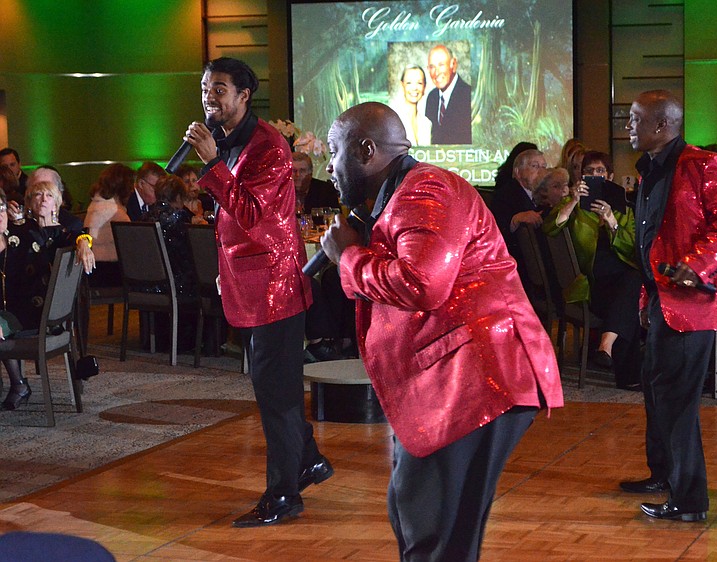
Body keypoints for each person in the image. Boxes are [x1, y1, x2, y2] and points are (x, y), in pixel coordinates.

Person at [320, 102, 563, 561]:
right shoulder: (396, 195)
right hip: (455, 376)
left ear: (367, 149)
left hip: (476, 375)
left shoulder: (425, 189)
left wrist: (348, 258)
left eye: (334, 151)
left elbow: (422, 282)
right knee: (421, 517)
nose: (328, 167)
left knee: (433, 530)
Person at [181, 57, 332, 528]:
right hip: (248, 284)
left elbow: (251, 215)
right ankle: (307, 461)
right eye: (206, 87)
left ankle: (284, 495)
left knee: (278, 397)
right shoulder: (229, 140)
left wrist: (210, 164)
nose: (210, 97)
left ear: (245, 95)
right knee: (272, 388)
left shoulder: (268, 146)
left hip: (275, 289)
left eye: (220, 89)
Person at [619, 90, 717, 522]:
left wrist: (695, 265)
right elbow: (651, 238)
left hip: (691, 304)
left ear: (662, 125)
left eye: (635, 120)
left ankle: (689, 501)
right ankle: (663, 474)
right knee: (656, 390)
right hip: (661, 298)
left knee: (676, 399)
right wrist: (645, 296)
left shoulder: (700, 163)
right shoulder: (651, 170)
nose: (628, 127)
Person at [540, 157, 643, 390]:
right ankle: (628, 374)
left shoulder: (624, 209)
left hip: (619, 282)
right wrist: (573, 201)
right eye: (590, 171)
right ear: (581, 176)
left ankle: (605, 346)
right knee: (631, 293)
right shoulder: (572, 206)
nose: (596, 175)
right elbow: (550, 228)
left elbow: (634, 250)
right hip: (589, 283)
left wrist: (612, 222)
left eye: (601, 171)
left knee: (630, 286)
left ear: (610, 176)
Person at [1, 182, 95, 410]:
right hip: (15, 305)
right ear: (29, 203)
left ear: (58, 202)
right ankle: (18, 383)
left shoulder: (61, 233)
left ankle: (18, 384)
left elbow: (77, 233)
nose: (43, 199)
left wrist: (84, 242)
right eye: (37, 195)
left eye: (49, 195)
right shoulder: (20, 230)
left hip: (38, 312)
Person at [489, 149, 548, 297]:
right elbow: (497, 231)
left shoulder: (544, 195)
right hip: (518, 271)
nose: (541, 172)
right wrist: (515, 219)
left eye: (544, 167)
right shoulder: (507, 194)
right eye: (535, 166)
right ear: (518, 171)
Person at [83, 163, 134, 288]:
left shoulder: (95, 205)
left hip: (92, 270)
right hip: (107, 272)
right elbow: (129, 249)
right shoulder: (116, 212)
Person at [424, 44, 472, 145]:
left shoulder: (468, 95)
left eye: (441, 65)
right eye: (432, 67)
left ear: (453, 65)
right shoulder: (431, 97)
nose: (436, 73)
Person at [27, 166, 83, 231]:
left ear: (59, 194)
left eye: (49, 191)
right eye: (38, 191)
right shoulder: (19, 224)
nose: (44, 198)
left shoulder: (72, 225)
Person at [390, 65, 432, 146]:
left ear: (424, 87)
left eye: (419, 83)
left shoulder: (427, 123)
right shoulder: (393, 119)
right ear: (402, 85)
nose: (414, 88)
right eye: (409, 83)